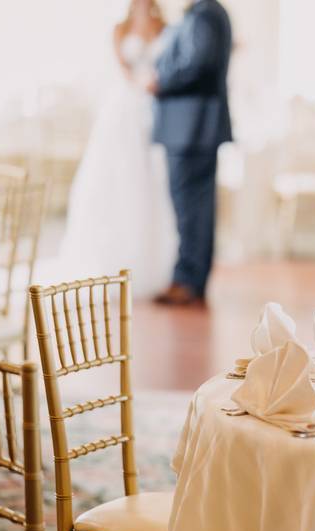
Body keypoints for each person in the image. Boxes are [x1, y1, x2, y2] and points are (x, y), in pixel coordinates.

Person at [60, 0, 177, 299]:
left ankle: (151, 265)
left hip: (154, 110)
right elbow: (122, 67)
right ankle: (110, 262)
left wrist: (155, 83)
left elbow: (169, 64)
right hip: (126, 106)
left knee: (150, 184)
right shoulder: (120, 29)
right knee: (115, 178)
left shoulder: (164, 27)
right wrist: (140, 83)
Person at [147, 0, 233, 307]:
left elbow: (198, 63)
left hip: (192, 127)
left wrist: (160, 82)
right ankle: (190, 278)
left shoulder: (205, 13)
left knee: (190, 209)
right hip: (192, 127)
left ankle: (188, 279)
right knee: (194, 207)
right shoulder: (203, 14)